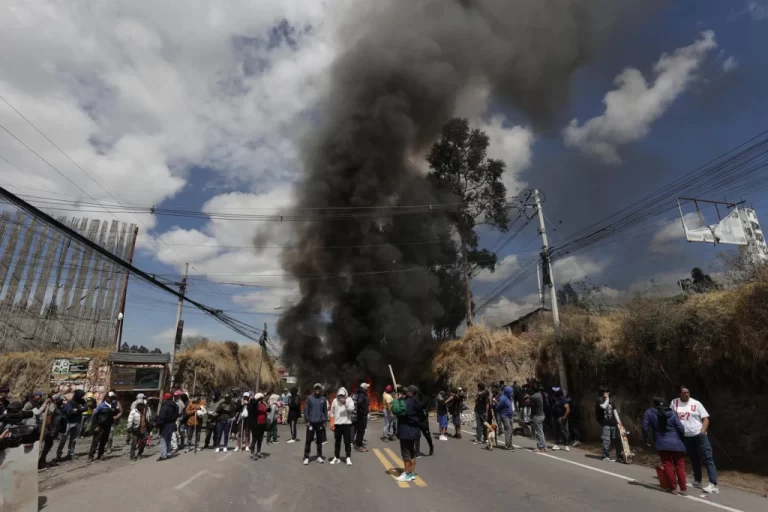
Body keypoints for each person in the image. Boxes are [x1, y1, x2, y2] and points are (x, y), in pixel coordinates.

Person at [672, 386, 719, 494]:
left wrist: (702, 431)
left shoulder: (696, 403)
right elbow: (672, 417)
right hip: (686, 436)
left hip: (698, 434)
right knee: (694, 458)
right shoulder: (674, 403)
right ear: (680, 394)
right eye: (684, 393)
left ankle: (713, 484)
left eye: (688, 392)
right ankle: (697, 481)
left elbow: (706, 419)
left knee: (707, 458)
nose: (686, 394)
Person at [642, 397, 687, 496]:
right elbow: (681, 428)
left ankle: (673, 488)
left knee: (668, 465)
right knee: (680, 466)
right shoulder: (672, 413)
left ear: (653, 403)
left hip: (662, 443)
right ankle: (683, 489)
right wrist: (681, 439)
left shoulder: (649, 413)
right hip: (677, 443)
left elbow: (645, 427)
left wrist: (646, 439)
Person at [392, 385, 421, 482]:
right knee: (412, 452)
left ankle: (407, 473)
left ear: (411, 393)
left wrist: (396, 400)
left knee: (405, 453)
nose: (406, 392)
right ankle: (412, 473)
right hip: (415, 430)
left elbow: (396, 410)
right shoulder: (416, 401)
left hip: (406, 430)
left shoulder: (406, 403)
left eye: (407, 391)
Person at [56, 389, 86, 462]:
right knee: (63, 439)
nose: (81, 397)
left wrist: (77, 410)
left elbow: (86, 408)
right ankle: (58, 455)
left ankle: (70, 454)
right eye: (80, 396)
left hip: (78, 422)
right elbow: (70, 412)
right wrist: (79, 409)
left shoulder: (82, 401)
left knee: (73, 440)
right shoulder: (70, 402)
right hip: (68, 423)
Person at [595, 387, 624, 462]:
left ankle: (619, 455)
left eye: (608, 392)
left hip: (613, 423)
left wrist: (619, 422)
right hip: (605, 423)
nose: (608, 393)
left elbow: (615, 411)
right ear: (602, 393)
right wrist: (607, 399)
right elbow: (604, 407)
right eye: (606, 392)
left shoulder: (611, 400)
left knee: (617, 439)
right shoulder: (599, 400)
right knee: (606, 440)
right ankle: (605, 456)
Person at [329, 387, 354, 465]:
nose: (341, 397)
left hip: (347, 424)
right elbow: (332, 412)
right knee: (337, 442)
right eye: (340, 395)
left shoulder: (349, 400)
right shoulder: (335, 401)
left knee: (347, 442)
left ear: (345, 394)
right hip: (337, 424)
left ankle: (348, 457)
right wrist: (331, 423)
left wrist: (345, 403)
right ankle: (337, 457)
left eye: (342, 395)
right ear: (338, 395)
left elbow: (351, 410)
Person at [303, 383, 327, 465]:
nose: (317, 390)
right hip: (311, 423)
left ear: (320, 389)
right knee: (308, 440)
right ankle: (306, 457)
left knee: (319, 441)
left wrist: (325, 421)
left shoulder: (323, 399)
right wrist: (307, 420)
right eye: (316, 388)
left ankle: (319, 456)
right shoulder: (309, 398)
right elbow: (306, 410)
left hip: (320, 423)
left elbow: (325, 411)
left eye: (318, 388)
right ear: (314, 389)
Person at [88, 392, 116, 462]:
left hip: (107, 426)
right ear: (106, 397)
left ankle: (100, 454)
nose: (111, 399)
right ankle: (91, 456)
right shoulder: (101, 406)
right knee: (95, 441)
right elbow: (94, 416)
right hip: (99, 426)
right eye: (110, 398)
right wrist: (95, 426)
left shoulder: (112, 406)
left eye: (112, 398)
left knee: (104, 441)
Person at [39, 394, 62, 469]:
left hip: (47, 427)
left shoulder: (52, 405)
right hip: (46, 428)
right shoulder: (50, 406)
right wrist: (51, 429)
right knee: (47, 444)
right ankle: (41, 461)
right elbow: (48, 417)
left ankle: (42, 460)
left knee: (48, 444)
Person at [155, 392, 178, 461]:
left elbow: (162, 417)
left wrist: (157, 424)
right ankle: (168, 453)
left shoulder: (165, 407)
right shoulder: (175, 406)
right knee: (169, 440)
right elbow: (177, 415)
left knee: (163, 440)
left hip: (165, 425)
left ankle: (163, 455)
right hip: (172, 424)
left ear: (165, 399)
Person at [247, 392, 268, 460]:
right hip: (256, 424)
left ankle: (259, 452)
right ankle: (252, 453)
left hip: (262, 423)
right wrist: (258, 398)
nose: (262, 399)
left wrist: (265, 404)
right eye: (261, 398)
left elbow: (268, 410)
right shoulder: (253, 404)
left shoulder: (262, 404)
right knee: (254, 439)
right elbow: (253, 403)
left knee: (260, 438)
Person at [414, 389, 434, 457]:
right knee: (417, 436)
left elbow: (421, 405)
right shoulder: (416, 398)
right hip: (418, 419)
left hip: (424, 420)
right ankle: (417, 451)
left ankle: (431, 446)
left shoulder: (426, 398)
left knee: (427, 435)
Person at [496, 385, 515, 450]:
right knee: (508, 429)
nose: (512, 393)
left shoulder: (509, 397)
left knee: (511, 430)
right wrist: (501, 413)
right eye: (511, 392)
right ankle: (507, 445)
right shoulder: (503, 399)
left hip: (510, 416)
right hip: (505, 416)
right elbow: (498, 407)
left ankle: (510, 444)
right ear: (507, 392)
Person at [530, 384, 546, 451]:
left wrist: (528, 397)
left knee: (538, 432)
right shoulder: (540, 394)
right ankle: (544, 446)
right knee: (541, 432)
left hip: (537, 416)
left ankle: (540, 447)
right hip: (542, 415)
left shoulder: (534, 396)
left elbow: (527, 401)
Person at [354, 382, 370, 452]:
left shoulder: (362, 394)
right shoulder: (362, 394)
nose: (368, 388)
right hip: (362, 415)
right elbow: (360, 402)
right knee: (361, 430)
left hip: (362, 415)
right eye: (367, 387)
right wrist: (364, 409)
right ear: (364, 388)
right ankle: (359, 445)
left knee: (361, 430)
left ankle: (359, 443)